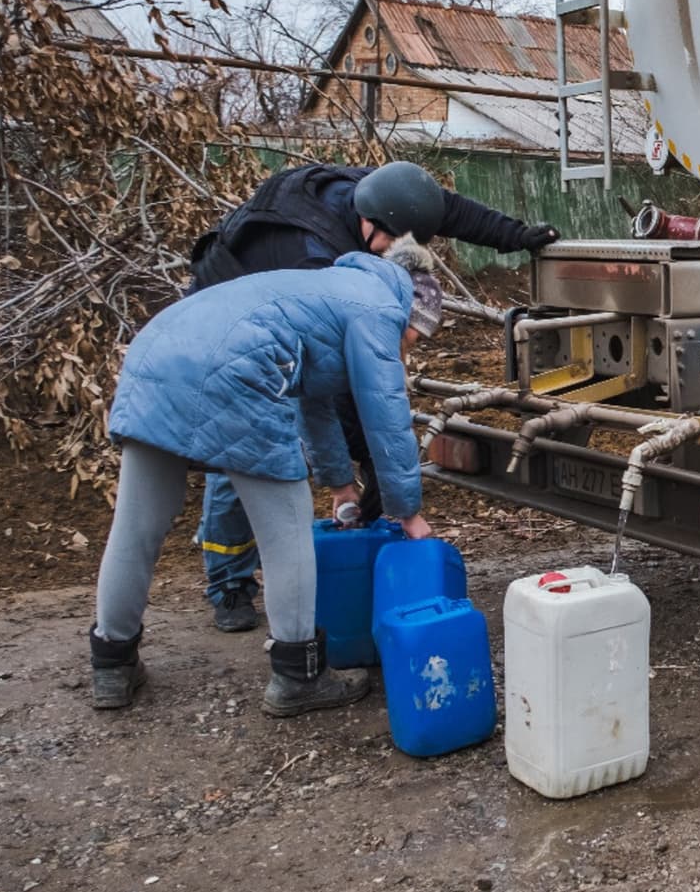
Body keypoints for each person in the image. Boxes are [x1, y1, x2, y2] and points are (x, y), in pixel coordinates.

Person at [188, 160, 556, 633]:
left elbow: (446, 209)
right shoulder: (315, 258)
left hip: (283, 309)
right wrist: (377, 475)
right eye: (406, 336)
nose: (404, 346)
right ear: (369, 225)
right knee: (243, 448)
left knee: (321, 421)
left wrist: (518, 235)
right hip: (224, 320)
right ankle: (229, 583)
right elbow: (338, 392)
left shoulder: (385, 198)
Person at [88, 239, 444, 717]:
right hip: (232, 370)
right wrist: (409, 511)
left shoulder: (329, 289)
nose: (410, 347)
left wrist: (341, 486)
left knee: (136, 526)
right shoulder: (379, 306)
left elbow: (312, 403)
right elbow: (386, 414)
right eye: (416, 336)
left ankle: (112, 665)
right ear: (413, 310)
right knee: (287, 532)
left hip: (156, 352)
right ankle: (300, 676)